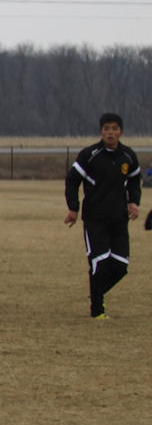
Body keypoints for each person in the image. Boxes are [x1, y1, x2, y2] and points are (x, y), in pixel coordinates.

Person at [65, 113, 140, 319]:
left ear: (121, 132)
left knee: (121, 266)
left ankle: (96, 294)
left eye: (114, 129)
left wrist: (134, 201)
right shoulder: (90, 154)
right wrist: (73, 208)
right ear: (101, 131)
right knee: (99, 264)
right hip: (95, 219)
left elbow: (135, 179)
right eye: (106, 129)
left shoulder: (128, 156)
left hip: (119, 220)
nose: (110, 133)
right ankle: (97, 310)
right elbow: (72, 179)